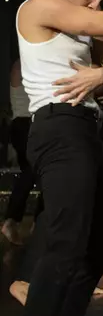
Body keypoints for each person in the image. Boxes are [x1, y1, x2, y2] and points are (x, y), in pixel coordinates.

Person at [15, 0, 103, 316]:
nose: (97, 5)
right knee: (66, 245)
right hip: (59, 127)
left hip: (84, 130)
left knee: (99, 247)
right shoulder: (41, 5)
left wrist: (101, 72)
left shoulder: (77, 23)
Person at [1, 59, 38, 245]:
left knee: (34, 172)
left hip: (24, 125)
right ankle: (14, 221)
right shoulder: (23, 64)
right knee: (34, 172)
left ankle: (17, 221)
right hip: (27, 124)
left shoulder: (22, 65)